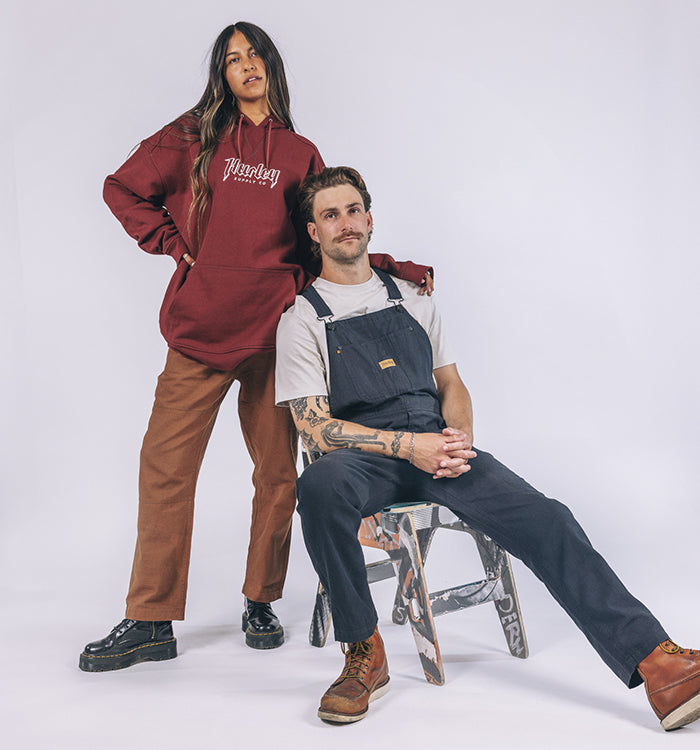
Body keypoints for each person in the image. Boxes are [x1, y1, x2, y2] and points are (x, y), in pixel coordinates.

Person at [274, 166, 700, 730]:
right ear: (314, 232)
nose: (345, 223)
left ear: (369, 218)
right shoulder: (303, 318)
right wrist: (408, 446)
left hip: (437, 445)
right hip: (365, 458)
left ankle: (658, 665)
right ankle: (364, 653)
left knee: (548, 516)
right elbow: (314, 427)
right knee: (318, 484)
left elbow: (451, 383)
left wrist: (458, 439)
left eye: (353, 210)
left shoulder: (413, 298)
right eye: (331, 215)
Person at [79, 25, 432, 672]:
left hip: (276, 337)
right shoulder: (192, 135)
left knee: (277, 475)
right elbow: (121, 187)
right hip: (199, 333)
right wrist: (174, 243)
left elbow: (320, 236)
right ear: (222, 72)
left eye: (254, 55)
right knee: (165, 468)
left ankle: (260, 600)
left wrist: (389, 264)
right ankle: (151, 618)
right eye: (232, 58)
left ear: (271, 65)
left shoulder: (298, 152)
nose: (245, 66)